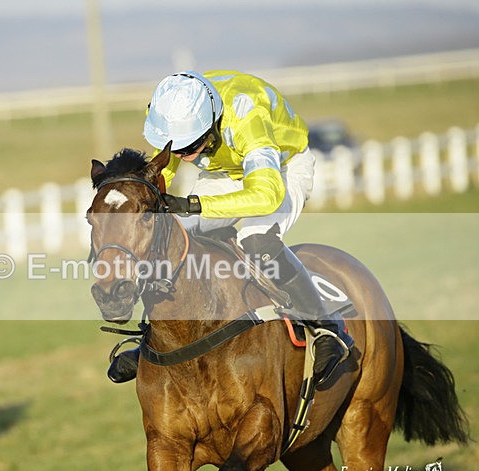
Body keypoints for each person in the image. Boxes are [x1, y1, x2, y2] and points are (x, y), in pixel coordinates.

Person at [107, 70, 353, 387]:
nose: (183, 156)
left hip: (280, 169)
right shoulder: (170, 111)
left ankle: (327, 327)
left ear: (211, 123)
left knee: (257, 242)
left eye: (190, 146)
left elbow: (265, 196)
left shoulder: (247, 116)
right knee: (171, 236)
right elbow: (162, 167)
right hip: (225, 171)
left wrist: (194, 204)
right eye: (178, 147)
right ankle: (152, 337)